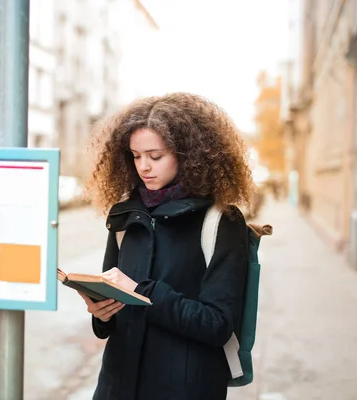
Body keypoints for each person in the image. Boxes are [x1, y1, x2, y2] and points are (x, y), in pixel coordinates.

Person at [80, 93, 255, 400]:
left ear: (187, 155)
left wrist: (144, 293)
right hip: (117, 386)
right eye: (135, 156)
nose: (144, 167)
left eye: (155, 156)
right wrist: (101, 313)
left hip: (185, 387)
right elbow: (110, 312)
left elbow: (217, 325)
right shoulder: (124, 214)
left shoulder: (219, 221)